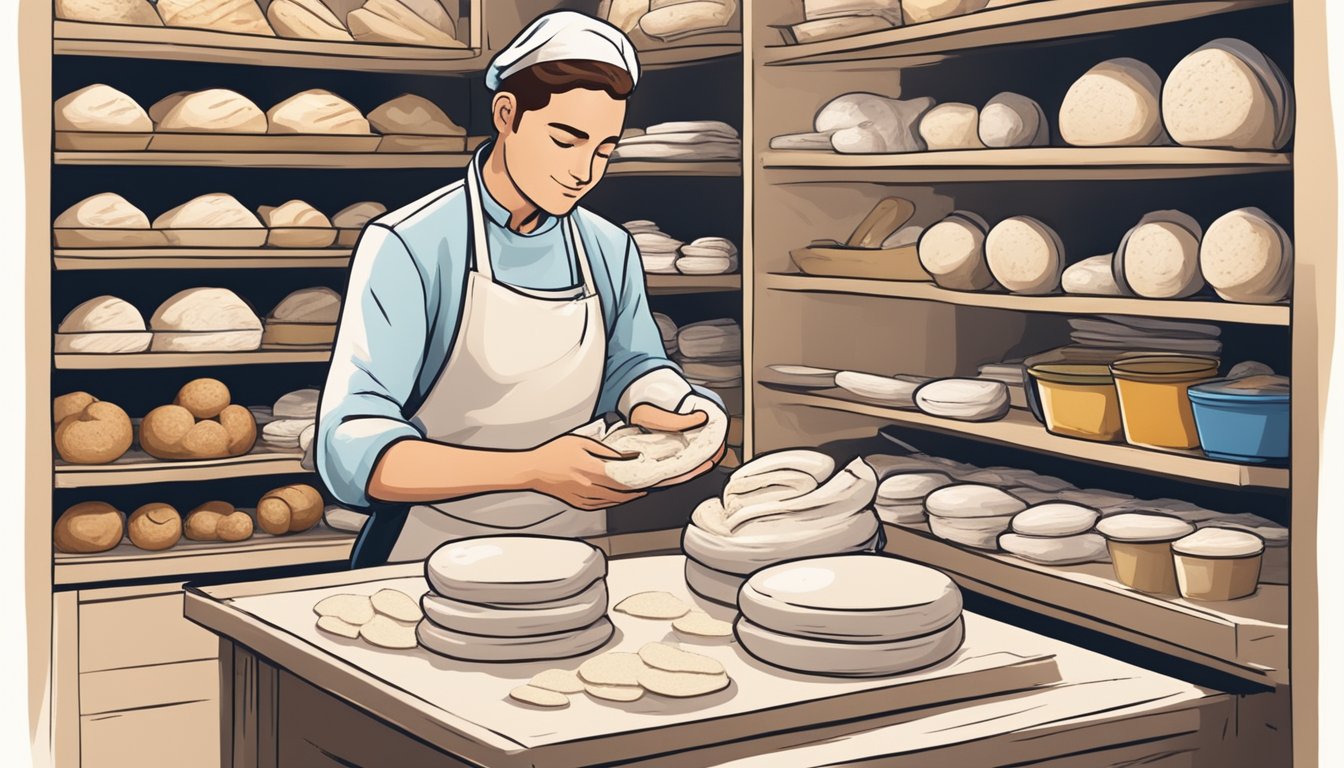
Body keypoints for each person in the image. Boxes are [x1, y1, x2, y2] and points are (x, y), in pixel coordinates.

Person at [316, 11, 727, 566]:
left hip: (575, 549)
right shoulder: (411, 245)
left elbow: (630, 367)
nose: (585, 172)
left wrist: (676, 408)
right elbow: (350, 450)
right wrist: (532, 469)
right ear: (507, 115)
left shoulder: (607, 248)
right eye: (566, 140)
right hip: (425, 556)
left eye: (604, 149)